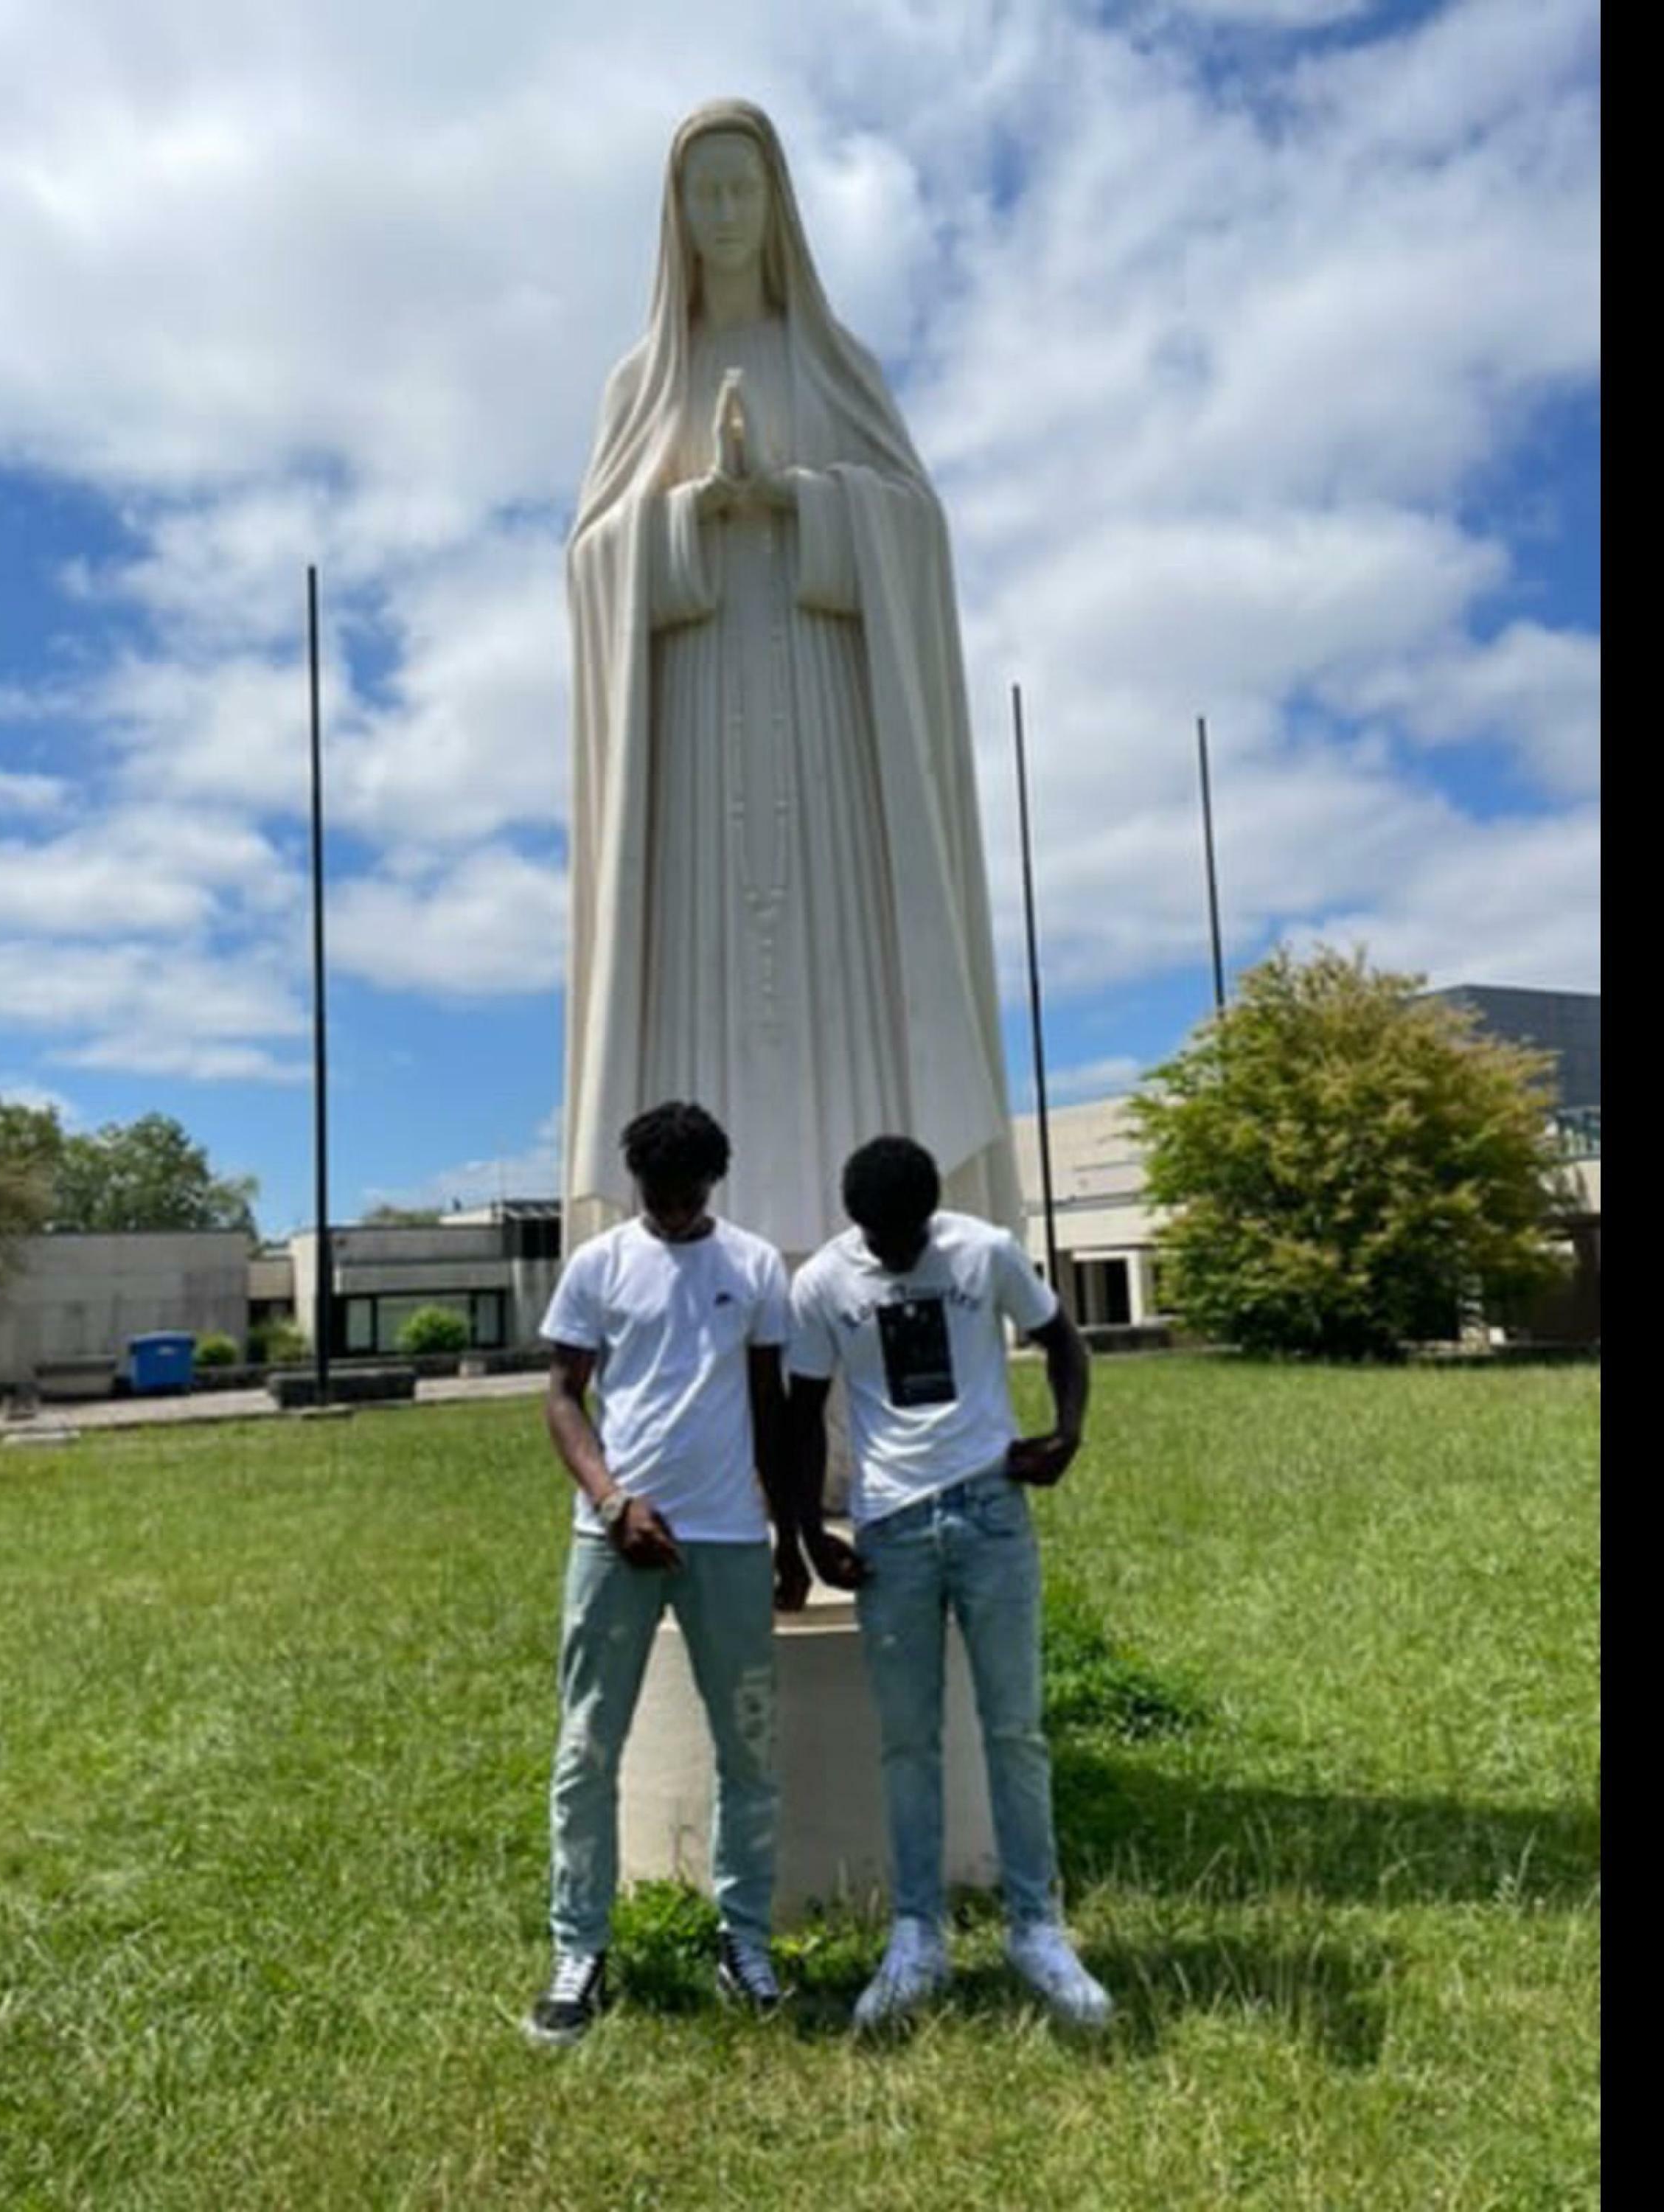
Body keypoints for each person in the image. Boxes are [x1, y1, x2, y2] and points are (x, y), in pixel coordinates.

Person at [560, 98, 1021, 1267]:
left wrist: (802, 500)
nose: (723, 212)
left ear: (776, 205)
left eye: (741, 188)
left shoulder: (836, 363)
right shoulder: (640, 387)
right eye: (702, 192)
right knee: (700, 979)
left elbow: (919, 527)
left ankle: (868, 1250)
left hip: (829, 729)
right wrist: (689, 514)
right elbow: (589, 561)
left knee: (841, 972)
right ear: (674, 213)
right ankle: (697, 1262)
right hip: (689, 742)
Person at [786, 1135, 1114, 2031]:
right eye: (880, 1238)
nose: (896, 1252)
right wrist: (808, 1532)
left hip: (990, 1513)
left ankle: (1036, 1928)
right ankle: (917, 1936)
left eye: (909, 1236)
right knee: (908, 1741)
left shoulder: (983, 1251)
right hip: (890, 1530)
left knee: (1016, 1730)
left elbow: (1063, 1340)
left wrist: (1068, 1432)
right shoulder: (823, 1282)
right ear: (856, 1222)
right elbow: (802, 1412)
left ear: (931, 1216)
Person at [526, 1100, 822, 2046]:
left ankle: (745, 1941)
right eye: (659, 1194)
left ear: (714, 1182)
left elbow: (773, 1410)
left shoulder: (754, 1265)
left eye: (690, 1193)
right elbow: (563, 1397)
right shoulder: (600, 1264)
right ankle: (579, 1947)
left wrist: (791, 1539)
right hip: (613, 1539)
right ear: (637, 1185)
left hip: (728, 1538)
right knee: (587, 1747)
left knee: (749, 1747)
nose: (675, 1209)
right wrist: (613, 1502)